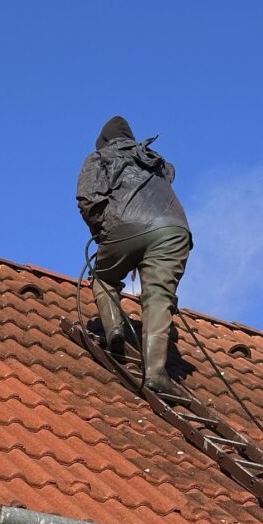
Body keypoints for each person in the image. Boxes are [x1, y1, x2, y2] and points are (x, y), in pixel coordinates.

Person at [76, 116, 192, 396]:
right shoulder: (154, 161)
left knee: (103, 277)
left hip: (125, 225)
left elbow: (87, 201)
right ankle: (156, 374)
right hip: (174, 231)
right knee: (159, 298)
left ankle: (113, 328)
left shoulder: (99, 158)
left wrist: (105, 234)